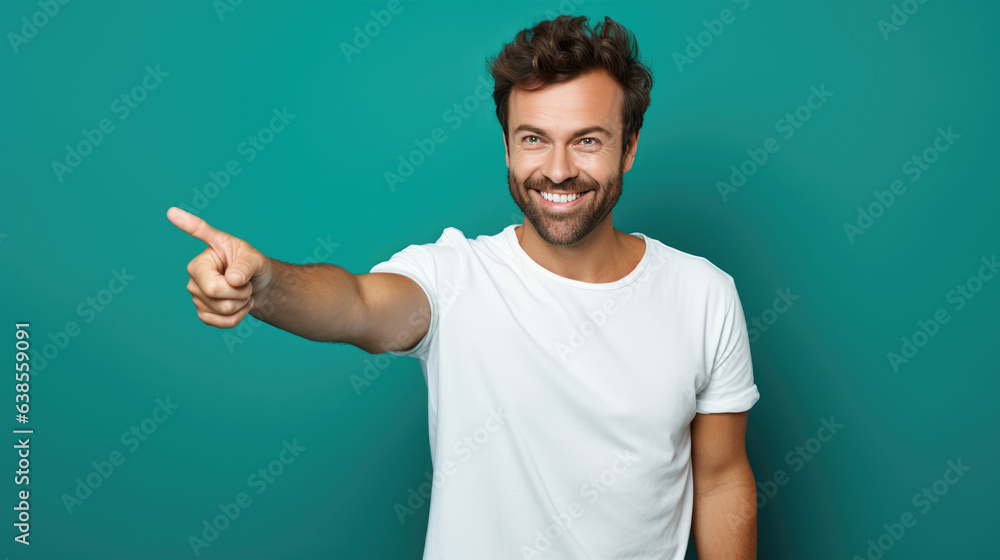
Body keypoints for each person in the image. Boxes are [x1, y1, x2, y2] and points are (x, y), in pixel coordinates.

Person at [167, 14, 759, 560]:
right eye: (534, 139)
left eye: (587, 140)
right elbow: (357, 306)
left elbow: (721, 476)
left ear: (627, 148)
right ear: (506, 146)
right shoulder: (453, 276)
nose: (556, 169)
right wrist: (263, 284)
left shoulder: (703, 294)